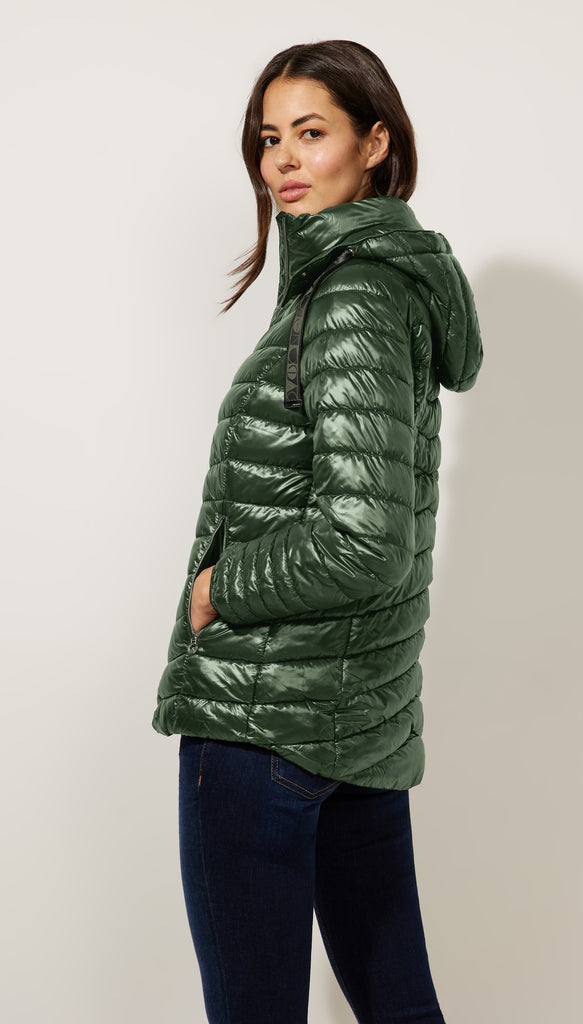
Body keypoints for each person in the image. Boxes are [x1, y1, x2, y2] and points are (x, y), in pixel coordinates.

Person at [152, 39, 483, 1024]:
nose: (283, 161)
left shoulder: (348, 299)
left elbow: (364, 537)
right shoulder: (370, 286)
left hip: (263, 725)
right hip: (353, 721)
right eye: (269, 139)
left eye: (311, 132)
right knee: (397, 1004)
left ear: (374, 143)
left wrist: (219, 589)